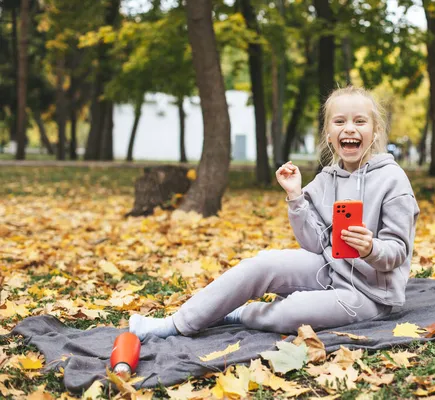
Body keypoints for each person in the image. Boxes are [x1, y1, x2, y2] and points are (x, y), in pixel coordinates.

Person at [129, 86, 420, 340]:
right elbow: (315, 245)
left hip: (370, 295)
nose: (350, 128)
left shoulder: (393, 181)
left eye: (360, 121)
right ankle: (178, 323)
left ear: (376, 130)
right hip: (331, 269)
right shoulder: (325, 180)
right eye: (340, 121)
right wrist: (295, 197)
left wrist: (370, 248)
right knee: (263, 263)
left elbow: (397, 252)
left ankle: (242, 313)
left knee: (294, 310)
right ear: (329, 133)